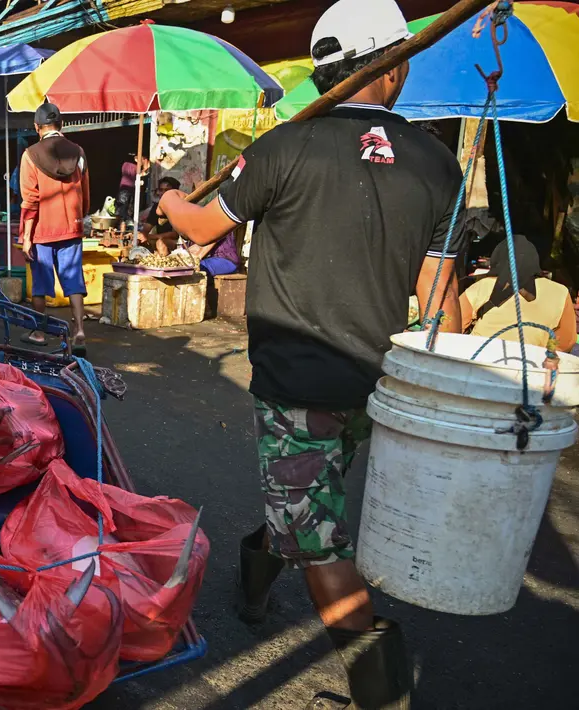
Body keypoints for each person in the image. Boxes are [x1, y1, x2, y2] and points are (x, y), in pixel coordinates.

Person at [157, 1, 462, 706]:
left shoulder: (282, 147)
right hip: (381, 382)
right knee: (306, 499)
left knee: (316, 533)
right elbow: (441, 294)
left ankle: (379, 689)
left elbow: (202, 228)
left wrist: (171, 197)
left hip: (296, 381)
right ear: (395, 68)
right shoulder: (435, 161)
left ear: (326, 71)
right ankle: (256, 584)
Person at [19, 103, 90, 349]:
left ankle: (39, 332)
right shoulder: (78, 152)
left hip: (42, 229)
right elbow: (85, 191)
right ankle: (79, 331)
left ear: (37, 127)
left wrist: (27, 236)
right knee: (74, 280)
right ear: (60, 125)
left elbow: (30, 199)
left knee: (40, 282)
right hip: (72, 225)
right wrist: (80, 217)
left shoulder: (30, 155)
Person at [461, 234, 577, 351]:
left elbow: (452, 325)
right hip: (532, 362)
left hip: (480, 357)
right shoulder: (559, 292)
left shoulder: (483, 285)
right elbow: (566, 342)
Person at [139, 176, 180, 255]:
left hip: (179, 243)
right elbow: (147, 228)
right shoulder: (156, 207)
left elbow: (174, 234)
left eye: (167, 190)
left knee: (160, 244)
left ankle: (165, 266)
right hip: (160, 238)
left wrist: (150, 236)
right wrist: (141, 235)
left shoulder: (179, 206)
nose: (163, 193)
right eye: (161, 190)